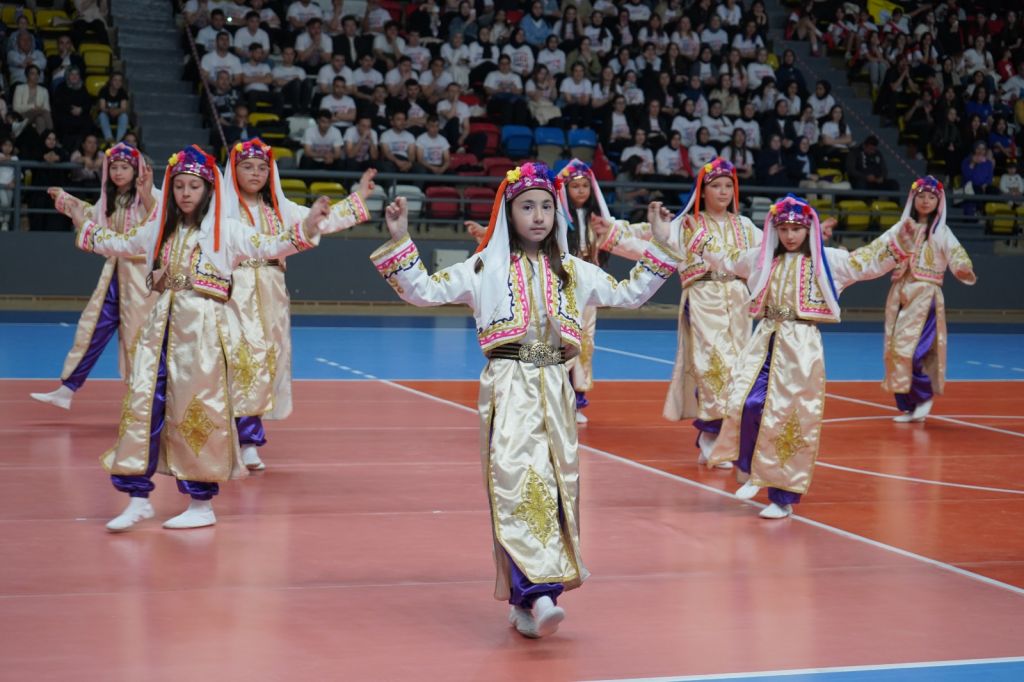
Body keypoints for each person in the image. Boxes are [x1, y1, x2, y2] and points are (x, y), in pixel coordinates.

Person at [369, 161, 680, 638]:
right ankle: (539, 595)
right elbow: (424, 291)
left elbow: (630, 293)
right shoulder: (483, 268)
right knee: (517, 483)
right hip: (510, 384)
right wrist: (400, 239)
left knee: (555, 488)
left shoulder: (574, 270)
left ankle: (526, 600)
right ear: (508, 214)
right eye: (527, 207)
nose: (538, 216)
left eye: (546, 207)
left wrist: (659, 243)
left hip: (555, 384)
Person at [61, 145, 358, 532]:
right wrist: (80, 221)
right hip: (159, 331)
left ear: (208, 190)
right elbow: (120, 243)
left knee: (197, 415)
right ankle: (138, 498)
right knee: (143, 409)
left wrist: (310, 227)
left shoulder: (227, 231)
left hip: (201, 337)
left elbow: (270, 245)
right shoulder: (160, 228)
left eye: (194, 186)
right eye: (179, 186)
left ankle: (201, 503)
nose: (185, 193)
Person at [684, 195, 914, 519]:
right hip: (765, 339)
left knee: (790, 418)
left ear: (808, 229)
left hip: (801, 346)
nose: (790, 235)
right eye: (784, 229)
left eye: (796, 229)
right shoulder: (762, 259)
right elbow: (726, 258)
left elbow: (865, 262)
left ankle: (782, 497)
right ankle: (751, 469)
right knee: (745, 402)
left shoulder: (827, 261)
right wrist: (699, 238)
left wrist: (898, 238)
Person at [221, 139, 375, 470]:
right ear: (233, 171)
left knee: (268, 360)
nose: (255, 173)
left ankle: (247, 438)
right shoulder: (220, 211)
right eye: (247, 167)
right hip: (233, 292)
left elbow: (321, 220)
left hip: (272, 292)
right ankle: (240, 437)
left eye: (262, 168)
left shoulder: (280, 210)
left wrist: (358, 196)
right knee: (241, 360)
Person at [600, 158, 762, 466]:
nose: (723, 191)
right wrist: (618, 236)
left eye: (728, 186)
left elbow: (766, 254)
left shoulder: (745, 226)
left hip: (738, 300)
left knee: (740, 368)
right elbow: (648, 249)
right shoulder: (687, 224)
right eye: (716, 186)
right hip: (702, 298)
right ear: (702, 190)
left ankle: (726, 436)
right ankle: (711, 435)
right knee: (714, 364)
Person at [31, 144, 159, 410]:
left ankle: (145, 399)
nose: (119, 172)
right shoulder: (111, 199)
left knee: (140, 338)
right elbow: (91, 217)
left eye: (125, 167)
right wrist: (66, 200)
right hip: (115, 275)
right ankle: (67, 389)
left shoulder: (152, 195)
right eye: (114, 167)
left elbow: (156, 220)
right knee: (92, 329)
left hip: (142, 280)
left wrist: (147, 194)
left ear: (138, 170)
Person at [881, 176, 976, 422]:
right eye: (921, 196)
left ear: (938, 202)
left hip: (925, 296)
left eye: (931, 197)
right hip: (900, 293)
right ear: (912, 199)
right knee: (895, 349)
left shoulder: (941, 232)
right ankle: (910, 405)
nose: (925, 201)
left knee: (912, 351)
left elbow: (956, 253)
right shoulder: (901, 228)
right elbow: (879, 250)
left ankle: (923, 396)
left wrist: (962, 267)